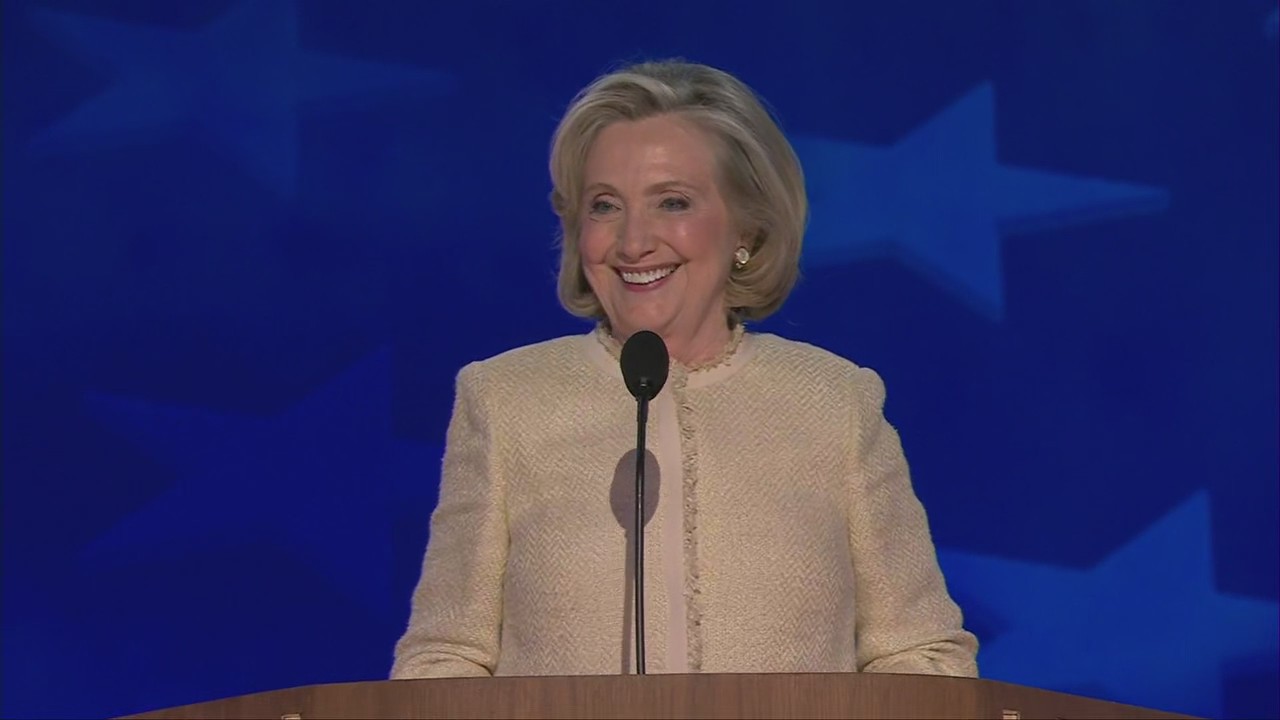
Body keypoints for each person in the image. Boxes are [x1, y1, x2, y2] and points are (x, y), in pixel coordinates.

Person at [391, 59, 979, 678]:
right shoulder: (507, 401)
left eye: (672, 202)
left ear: (747, 227)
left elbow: (921, 655)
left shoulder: (835, 404)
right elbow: (446, 657)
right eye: (605, 206)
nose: (633, 241)